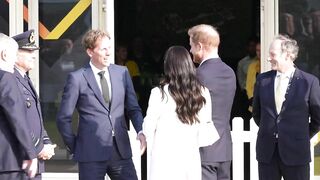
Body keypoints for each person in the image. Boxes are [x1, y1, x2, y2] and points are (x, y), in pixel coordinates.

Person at [56, 29, 146, 180]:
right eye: (103, 49)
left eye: (109, 48)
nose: (108, 53)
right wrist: (75, 146)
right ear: (90, 52)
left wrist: (141, 130)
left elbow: (133, 108)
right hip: (90, 153)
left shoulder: (122, 73)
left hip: (120, 151)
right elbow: (63, 118)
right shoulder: (77, 78)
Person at [143, 46, 219, 180]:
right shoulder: (202, 92)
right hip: (190, 157)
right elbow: (206, 130)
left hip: (163, 158)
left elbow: (148, 127)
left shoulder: (159, 93)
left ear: (168, 66)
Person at [252, 34, 320, 180]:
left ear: (287, 55)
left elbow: (317, 119)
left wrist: (299, 135)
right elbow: (257, 114)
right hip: (267, 153)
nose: (268, 58)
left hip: (296, 153)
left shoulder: (309, 82)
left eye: (272, 54)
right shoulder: (262, 80)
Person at [188, 24, 236, 180]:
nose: (190, 51)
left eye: (191, 46)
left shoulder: (197, 75)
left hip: (203, 149)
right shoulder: (230, 72)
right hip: (224, 149)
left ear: (200, 46)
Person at [12, 29, 56, 180]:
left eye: (34, 51)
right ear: (16, 54)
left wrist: (46, 141)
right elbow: (17, 119)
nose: (34, 56)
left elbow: (35, 117)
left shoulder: (25, 79)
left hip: (33, 159)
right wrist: (38, 147)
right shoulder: (10, 80)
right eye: (29, 51)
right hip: (21, 158)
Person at [0, 33, 38, 179]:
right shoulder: (6, 78)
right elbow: (17, 118)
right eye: (14, 55)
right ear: (4, 55)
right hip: (9, 161)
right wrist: (31, 153)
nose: (15, 59)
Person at [245, 42, 261, 112]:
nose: (259, 52)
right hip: (254, 102)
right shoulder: (252, 66)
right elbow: (249, 85)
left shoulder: (271, 65)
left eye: (260, 50)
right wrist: (252, 99)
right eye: (257, 50)